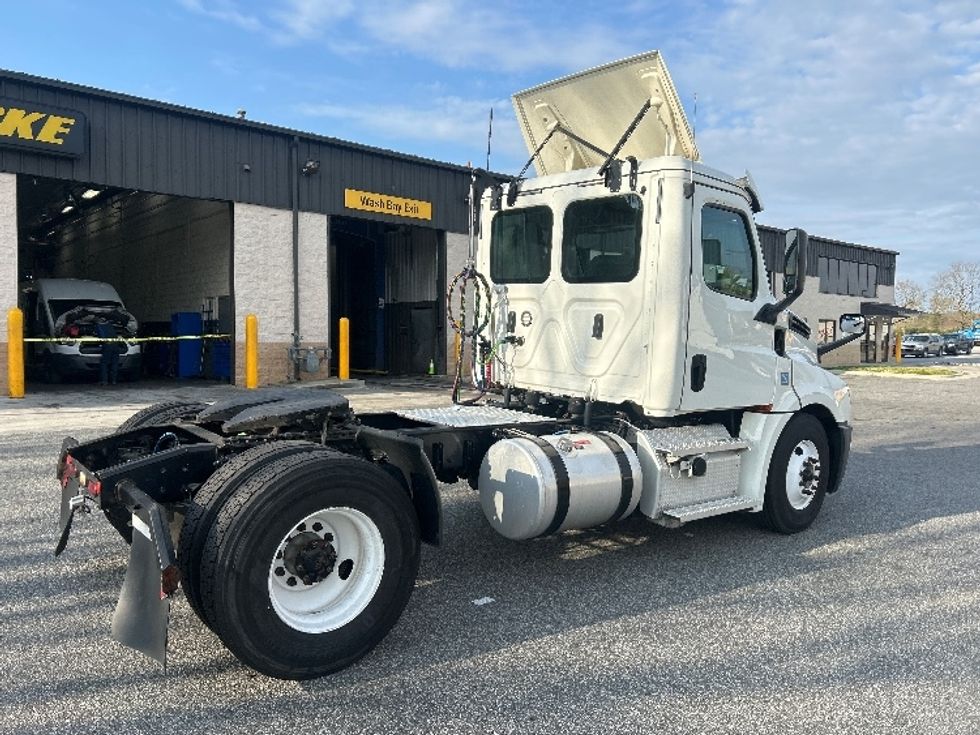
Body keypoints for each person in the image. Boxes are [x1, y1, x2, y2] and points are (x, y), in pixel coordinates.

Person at [96, 317, 120, 385]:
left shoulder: (99, 326)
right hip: (116, 345)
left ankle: (104, 381)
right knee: (114, 363)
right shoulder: (110, 325)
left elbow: (102, 336)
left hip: (108, 345)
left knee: (104, 363)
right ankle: (114, 381)